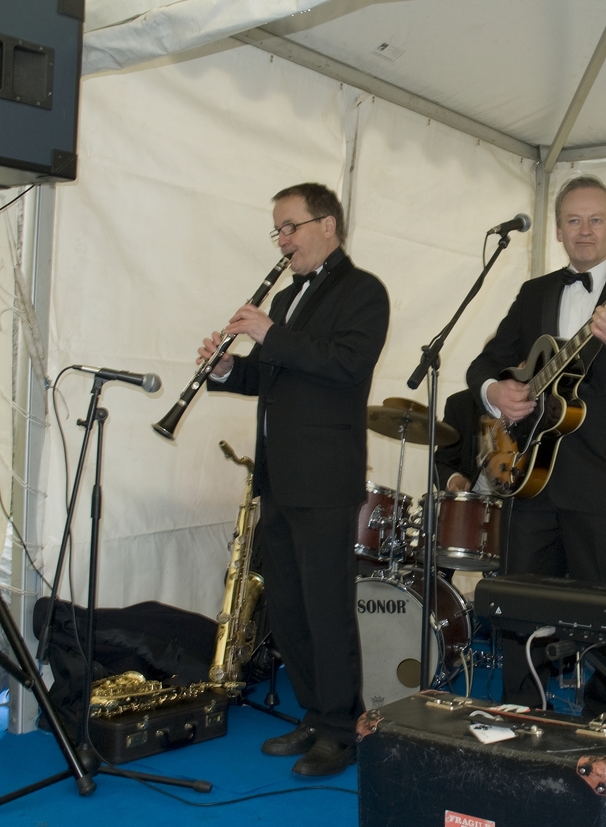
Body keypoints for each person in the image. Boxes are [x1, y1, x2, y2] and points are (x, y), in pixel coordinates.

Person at [466, 175, 606, 717]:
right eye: (573, 221)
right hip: (529, 477)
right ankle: (522, 712)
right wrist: (495, 392)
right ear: (559, 230)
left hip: (605, 483)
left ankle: (603, 720)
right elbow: (485, 362)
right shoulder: (534, 293)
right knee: (519, 604)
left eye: (596, 220)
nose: (585, 231)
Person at [198, 183, 389, 776]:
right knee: (287, 607)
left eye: (291, 227)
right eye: (277, 230)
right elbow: (271, 375)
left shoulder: (364, 291)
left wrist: (270, 334)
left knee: (327, 609)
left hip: (325, 479)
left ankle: (341, 727)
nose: (282, 240)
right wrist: (228, 369)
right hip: (277, 476)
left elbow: (345, 365)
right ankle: (314, 711)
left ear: (327, 225)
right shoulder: (285, 299)